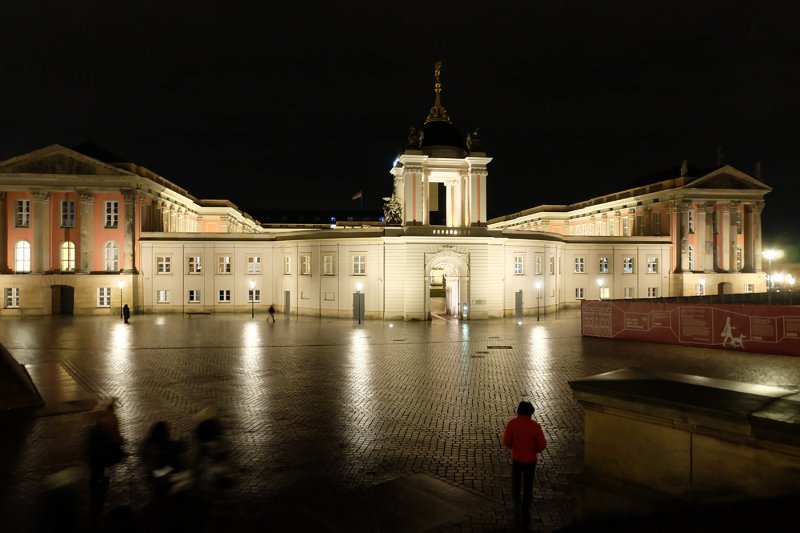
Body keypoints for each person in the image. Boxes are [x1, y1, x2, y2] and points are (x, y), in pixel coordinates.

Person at [503, 400, 546, 526]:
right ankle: (525, 507)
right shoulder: (535, 426)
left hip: (517, 458)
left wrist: (513, 446)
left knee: (516, 482)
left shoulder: (512, 424)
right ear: (531, 413)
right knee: (528, 484)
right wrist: (535, 450)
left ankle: (516, 503)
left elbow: (506, 441)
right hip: (530, 460)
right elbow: (542, 445)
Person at [86, 398, 124, 522]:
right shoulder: (110, 419)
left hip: (96, 453)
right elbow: (113, 436)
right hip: (101, 452)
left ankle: (96, 488)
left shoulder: (101, 419)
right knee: (98, 469)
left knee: (96, 469)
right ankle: (98, 489)